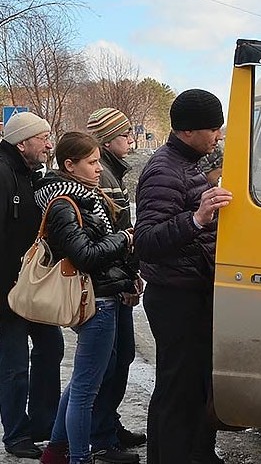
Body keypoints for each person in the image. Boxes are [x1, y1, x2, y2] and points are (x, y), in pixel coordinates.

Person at [134, 89, 231, 464]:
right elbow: (146, 241)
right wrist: (197, 219)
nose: (218, 136)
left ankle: (196, 453)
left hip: (192, 290)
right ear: (188, 131)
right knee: (176, 390)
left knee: (191, 387)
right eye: (212, 129)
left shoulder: (190, 162)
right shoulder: (164, 169)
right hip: (174, 297)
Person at [34, 132, 138, 464]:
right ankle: (79, 457)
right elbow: (85, 256)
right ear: (70, 165)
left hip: (105, 296)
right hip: (95, 302)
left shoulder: (85, 196)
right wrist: (123, 239)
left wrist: (127, 275)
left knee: (84, 381)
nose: (98, 169)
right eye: (91, 162)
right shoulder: (65, 204)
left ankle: (55, 450)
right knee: (85, 389)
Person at [0, 112, 64, 459]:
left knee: (51, 348)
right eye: (42, 138)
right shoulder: (3, 173)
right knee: (13, 366)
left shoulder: (28, 175)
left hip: (31, 288)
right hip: (8, 293)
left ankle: (43, 422)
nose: (49, 144)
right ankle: (16, 435)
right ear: (22, 142)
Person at [85, 109, 147, 454]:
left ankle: (107, 423)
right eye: (125, 135)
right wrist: (126, 280)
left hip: (117, 280)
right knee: (108, 363)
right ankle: (101, 435)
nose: (130, 140)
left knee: (120, 357)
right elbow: (115, 237)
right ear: (109, 139)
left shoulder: (112, 171)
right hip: (108, 286)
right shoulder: (104, 176)